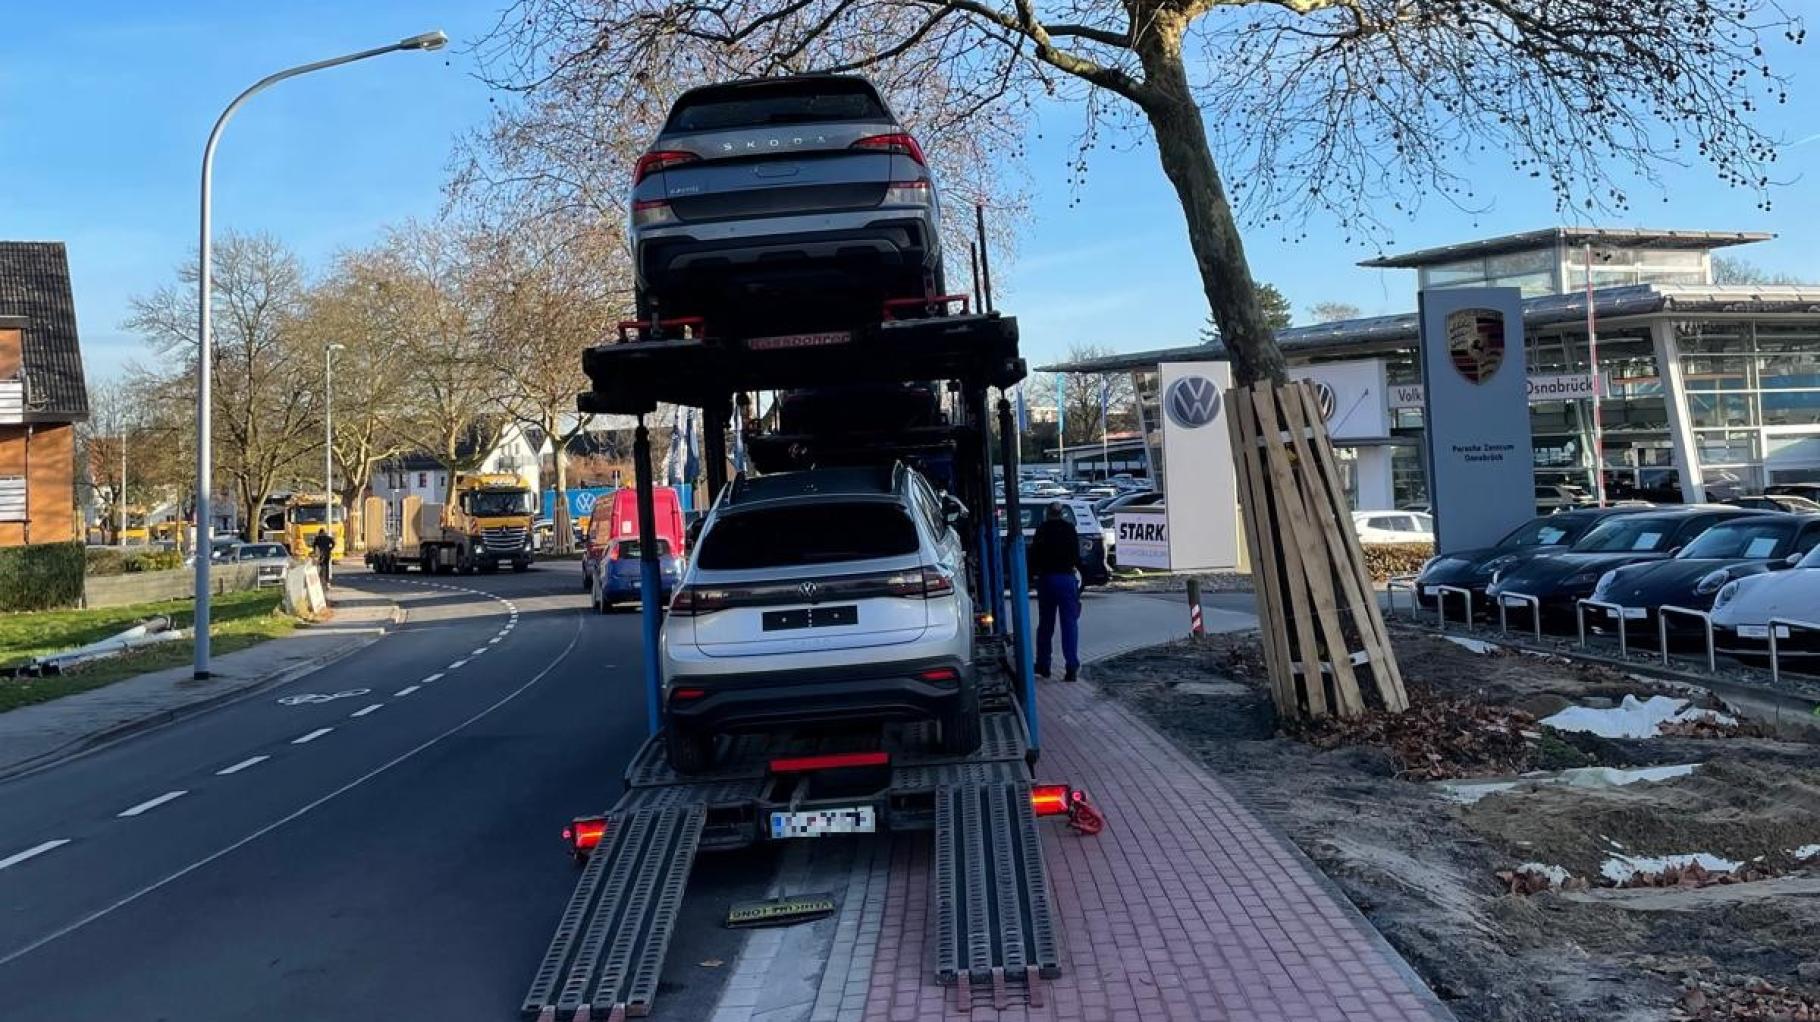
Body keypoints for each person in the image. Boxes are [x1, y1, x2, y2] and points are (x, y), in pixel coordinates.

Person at [1028, 501, 1081, 681]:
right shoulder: (1069, 529)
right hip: (1066, 579)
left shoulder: (1042, 530)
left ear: (1048, 513)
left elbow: (1034, 555)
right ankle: (1071, 667)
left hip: (1048, 579)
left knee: (1045, 625)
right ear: (1061, 514)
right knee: (1069, 625)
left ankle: (1043, 664)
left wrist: (1031, 576)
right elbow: (1076, 555)